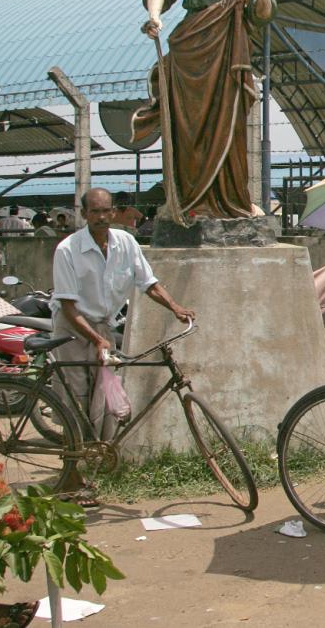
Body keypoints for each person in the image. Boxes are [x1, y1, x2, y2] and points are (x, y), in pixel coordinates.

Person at [136, 0, 275, 220]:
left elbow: (262, 14)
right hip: (193, 52)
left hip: (230, 52)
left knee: (233, 127)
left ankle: (236, 201)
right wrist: (155, 15)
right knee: (190, 129)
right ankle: (187, 201)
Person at [52, 188, 195, 504]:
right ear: (84, 214)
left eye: (106, 211)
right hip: (72, 329)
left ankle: (87, 468)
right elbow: (68, 307)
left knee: (101, 404)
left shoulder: (126, 243)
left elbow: (149, 283)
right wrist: (98, 340)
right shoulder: (68, 250)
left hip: (102, 326)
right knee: (76, 401)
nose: (101, 218)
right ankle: (70, 478)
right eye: (94, 212)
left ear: (113, 212)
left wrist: (175, 306)